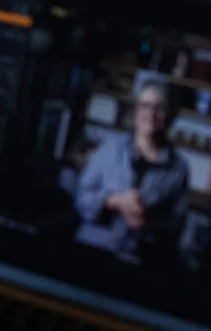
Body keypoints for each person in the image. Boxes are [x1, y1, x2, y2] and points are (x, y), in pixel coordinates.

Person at [73, 79, 191, 260]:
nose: (151, 113)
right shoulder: (110, 148)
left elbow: (177, 224)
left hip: (137, 259)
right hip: (91, 249)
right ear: (136, 111)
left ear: (169, 114)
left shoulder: (178, 168)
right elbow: (81, 197)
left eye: (159, 107)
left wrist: (148, 223)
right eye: (145, 105)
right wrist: (114, 201)